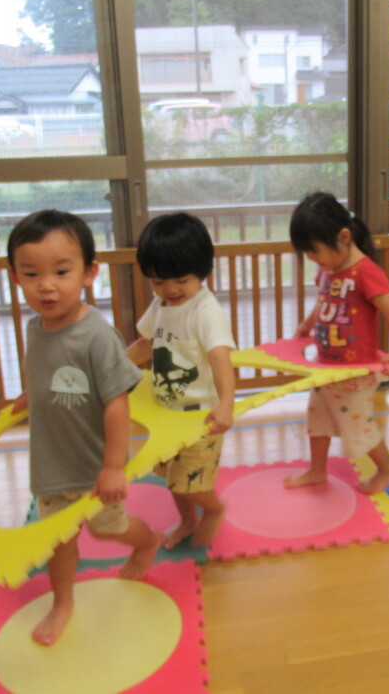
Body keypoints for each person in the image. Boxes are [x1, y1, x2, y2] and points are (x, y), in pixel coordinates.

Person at [7, 209, 160, 646]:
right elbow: (45, 374)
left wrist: (114, 466)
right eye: (32, 273)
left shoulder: (97, 335)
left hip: (95, 465)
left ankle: (147, 541)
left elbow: (116, 403)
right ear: (16, 277)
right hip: (52, 463)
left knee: (107, 527)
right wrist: (31, 396)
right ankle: (62, 602)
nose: (47, 285)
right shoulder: (34, 329)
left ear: (89, 273)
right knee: (60, 538)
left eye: (61, 271)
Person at [284, 191, 389, 494]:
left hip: (354, 373)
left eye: (314, 251)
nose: (312, 259)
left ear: (343, 236)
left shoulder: (366, 272)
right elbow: (324, 301)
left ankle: (388, 468)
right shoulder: (328, 269)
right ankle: (317, 471)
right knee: (317, 421)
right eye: (308, 254)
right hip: (326, 367)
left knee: (358, 427)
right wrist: (307, 323)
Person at [127, 213, 236, 549]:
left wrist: (226, 406)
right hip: (167, 414)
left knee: (194, 480)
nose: (170, 290)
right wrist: (113, 367)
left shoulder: (205, 310)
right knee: (173, 477)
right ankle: (188, 520)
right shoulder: (162, 305)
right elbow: (147, 343)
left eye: (180, 281)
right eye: (158, 282)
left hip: (200, 417)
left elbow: (220, 358)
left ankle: (214, 510)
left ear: (203, 272)